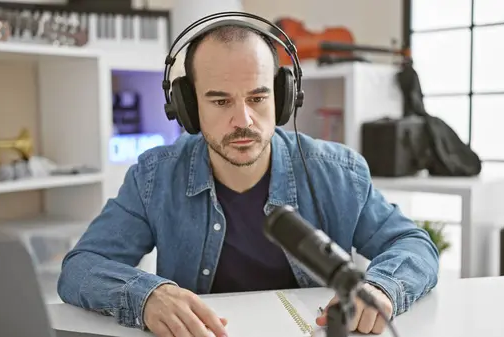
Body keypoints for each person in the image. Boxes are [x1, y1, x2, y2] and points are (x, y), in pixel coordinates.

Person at [58, 15, 439, 337]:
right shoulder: (154, 177)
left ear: (283, 97)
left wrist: (380, 287)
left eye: (257, 98)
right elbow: (80, 267)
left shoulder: (337, 172)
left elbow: (413, 243)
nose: (243, 121)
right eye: (220, 101)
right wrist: (147, 296)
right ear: (187, 107)